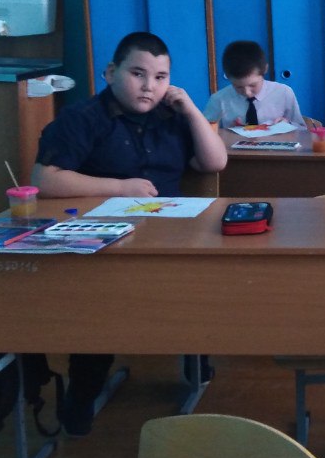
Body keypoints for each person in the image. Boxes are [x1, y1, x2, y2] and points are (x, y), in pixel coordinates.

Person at [31, 31, 228, 436]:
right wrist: (120, 187)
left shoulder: (173, 117)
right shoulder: (82, 118)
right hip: (105, 239)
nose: (149, 86)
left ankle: (195, 361)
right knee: (98, 305)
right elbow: (44, 179)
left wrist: (191, 108)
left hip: (171, 236)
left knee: (201, 279)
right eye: (138, 74)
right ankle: (83, 392)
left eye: (160, 77)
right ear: (110, 73)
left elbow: (214, 162)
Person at [203, 39, 307, 129]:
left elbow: (302, 129)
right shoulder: (219, 100)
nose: (247, 92)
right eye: (238, 87)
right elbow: (204, 132)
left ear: (265, 69)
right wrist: (226, 132)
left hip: (277, 145)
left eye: (253, 85)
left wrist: (287, 124)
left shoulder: (284, 93)